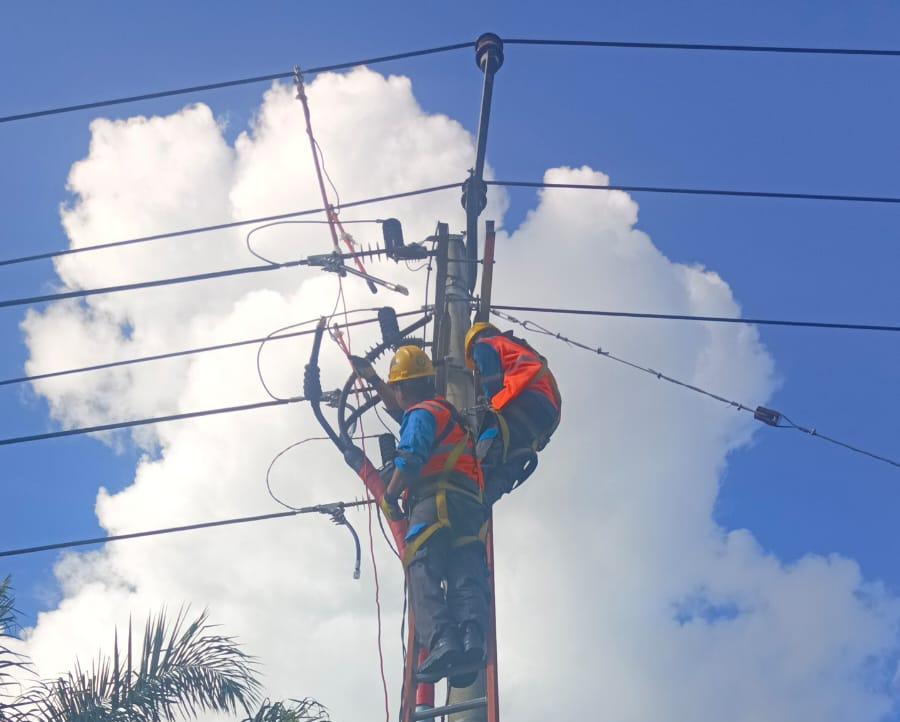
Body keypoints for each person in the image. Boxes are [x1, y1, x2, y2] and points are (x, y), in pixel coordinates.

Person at [355, 346, 489, 686]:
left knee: (423, 568)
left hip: (434, 502)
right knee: (463, 570)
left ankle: (442, 641)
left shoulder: (420, 415)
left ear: (403, 390)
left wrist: (389, 495)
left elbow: (411, 456)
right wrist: (373, 380)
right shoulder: (445, 412)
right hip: (468, 507)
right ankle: (471, 637)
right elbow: (401, 409)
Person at [464, 322, 562, 505]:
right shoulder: (517, 348)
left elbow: (491, 384)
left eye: (475, 363)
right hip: (543, 414)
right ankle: (483, 502)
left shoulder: (484, 345)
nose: (476, 366)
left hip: (525, 400)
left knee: (490, 436)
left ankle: (471, 489)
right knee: (511, 459)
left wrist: (487, 406)